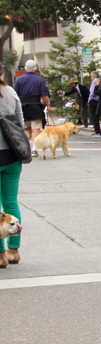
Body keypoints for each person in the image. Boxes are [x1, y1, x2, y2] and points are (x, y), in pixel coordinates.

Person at [0, 75, 24, 267]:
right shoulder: (11, 92)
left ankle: (0, 255)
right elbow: (20, 123)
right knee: (10, 202)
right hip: (12, 155)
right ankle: (13, 250)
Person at [13, 60, 50, 156]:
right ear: (36, 68)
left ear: (25, 68)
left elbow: (15, 95)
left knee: (26, 129)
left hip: (23, 106)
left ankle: (26, 148)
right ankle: (34, 149)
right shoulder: (40, 79)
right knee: (36, 128)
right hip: (36, 106)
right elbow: (44, 95)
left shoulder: (19, 79)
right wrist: (48, 106)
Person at [88, 71, 101, 138]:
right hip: (99, 100)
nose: (91, 77)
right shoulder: (100, 81)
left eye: (91, 76)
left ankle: (97, 131)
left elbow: (92, 92)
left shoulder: (94, 82)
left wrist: (89, 99)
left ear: (94, 76)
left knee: (94, 117)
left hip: (93, 100)